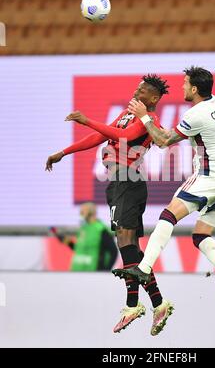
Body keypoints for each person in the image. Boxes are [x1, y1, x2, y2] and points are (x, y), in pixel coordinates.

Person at [45, 75, 174, 336]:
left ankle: (132, 305)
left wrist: (86, 119)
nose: (136, 93)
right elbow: (100, 137)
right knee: (129, 248)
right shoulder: (127, 114)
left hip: (129, 180)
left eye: (143, 91)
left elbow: (124, 137)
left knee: (126, 242)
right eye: (136, 88)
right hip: (117, 182)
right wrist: (64, 152)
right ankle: (158, 304)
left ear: (154, 99)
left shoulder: (151, 121)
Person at [113, 66, 215, 302]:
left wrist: (144, 116)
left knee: (168, 215)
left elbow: (163, 141)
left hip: (209, 176)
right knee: (200, 234)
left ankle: (144, 268)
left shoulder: (196, 114)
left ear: (194, 88)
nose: (181, 87)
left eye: (185, 83)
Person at [50, 202, 118, 271]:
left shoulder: (101, 230)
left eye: (83, 211)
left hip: (93, 273)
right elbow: (78, 248)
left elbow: (113, 251)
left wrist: (105, 271)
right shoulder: (83, 228)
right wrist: (63, 239)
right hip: (76, 271)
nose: (81, 213)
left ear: (91, 212)